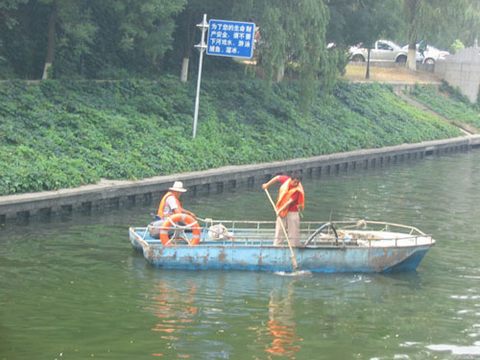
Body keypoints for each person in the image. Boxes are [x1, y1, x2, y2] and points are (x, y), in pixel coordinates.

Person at [262, 173, 305, 246]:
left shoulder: (298, 189)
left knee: (293, 231)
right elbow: (277, 178)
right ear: (291, 179)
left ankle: (294, 246)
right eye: (295, 182)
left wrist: (279, 210)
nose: (296, 184)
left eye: (298, 182)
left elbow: (289, 202)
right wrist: (267, 185)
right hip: (282, 211)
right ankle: (277, 246)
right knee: (280, 229)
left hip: (292, 212)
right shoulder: (286, 180)